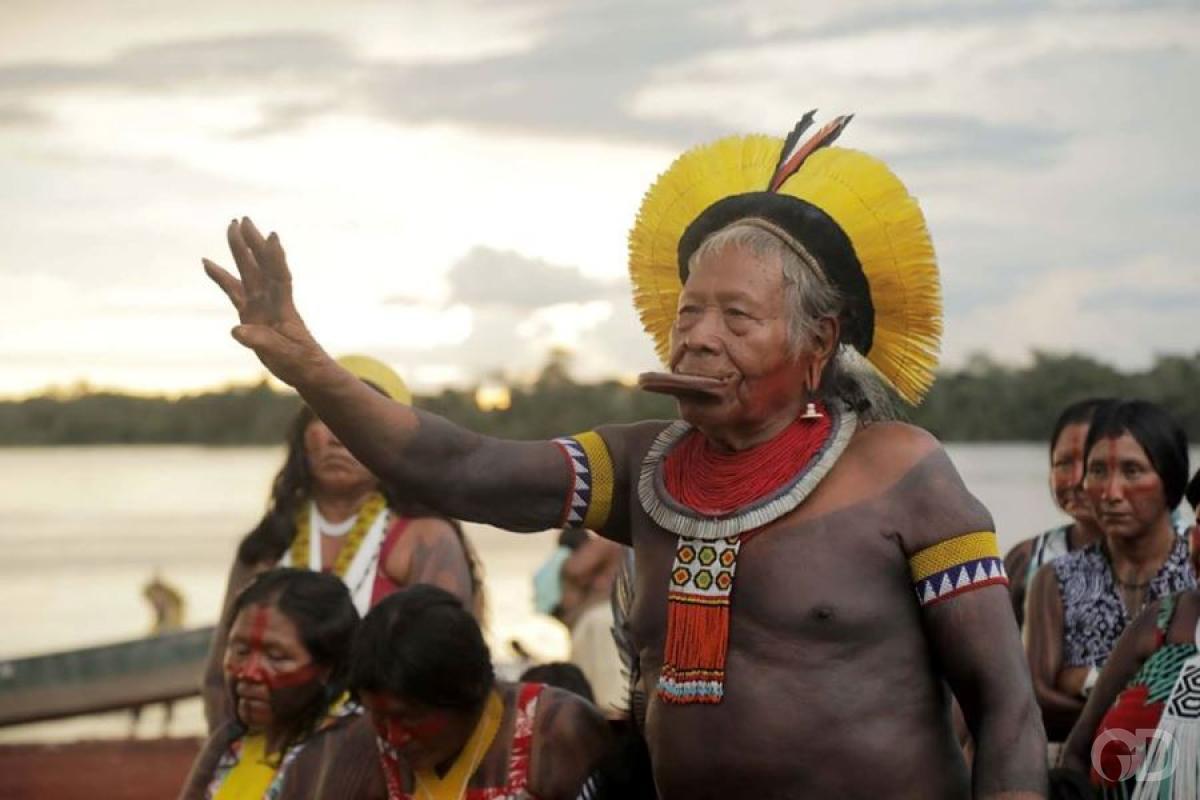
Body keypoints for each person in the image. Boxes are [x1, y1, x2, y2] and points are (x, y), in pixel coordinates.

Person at [204, 113, 1047, 796]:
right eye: (688, 314)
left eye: (736, 319)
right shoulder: (645, 466)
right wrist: (310, 368)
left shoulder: (902, 472)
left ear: (819, 340)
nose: (698, 339)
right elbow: (460, 470)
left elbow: (1004, 705)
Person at [202, 354, 484, 732]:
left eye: (358, 422)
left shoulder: (426, 539)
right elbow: (220, 673)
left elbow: (446, 673)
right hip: (267, 750)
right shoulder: (267, 545)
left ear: (395, 442)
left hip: (385, 750)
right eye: (326, 417)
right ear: (303, 435)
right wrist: (228, 752)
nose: (338, 436)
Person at [1026, 400, 1195, 743]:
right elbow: (1037, 702)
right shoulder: (1056, 578)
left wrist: (1082, 681)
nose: (1111, 493)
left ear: (1170, 479)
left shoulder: (1193, 570)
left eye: (1132, 471)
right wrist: (1146, 715)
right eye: (1099, 470)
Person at [343, 585, 611, 800]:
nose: (394, 738)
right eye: (379, 717)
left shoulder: (557, 731)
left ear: (466, 690)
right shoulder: (360, 746)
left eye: (409, 717)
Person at [180, 568, 377, 800]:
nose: (248, 672)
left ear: (327, 668)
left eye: (276, 657)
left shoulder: (348, 747)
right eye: (240, 651)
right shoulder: (229, 740)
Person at [1004, 399, 1112, 629]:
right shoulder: (1027, 560)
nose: (1075, 480)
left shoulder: (1179, 556)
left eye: (1091, 463)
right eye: (1063, 463)